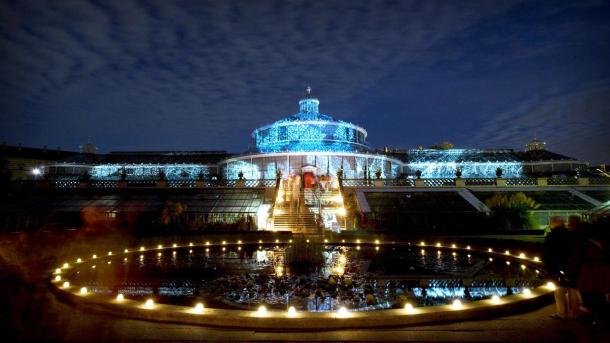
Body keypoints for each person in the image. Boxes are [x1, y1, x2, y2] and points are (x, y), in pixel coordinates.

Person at [543, 216, 570, 319]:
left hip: (556, 266)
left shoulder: (552, 235)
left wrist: (549, 267)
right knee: (570, 289)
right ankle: (573, 311)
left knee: (559, 290)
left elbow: (547, 253)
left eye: (551, 222)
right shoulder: (568, 234)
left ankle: (562, 312)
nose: (549, 224)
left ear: (554, 223)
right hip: (568, 266)